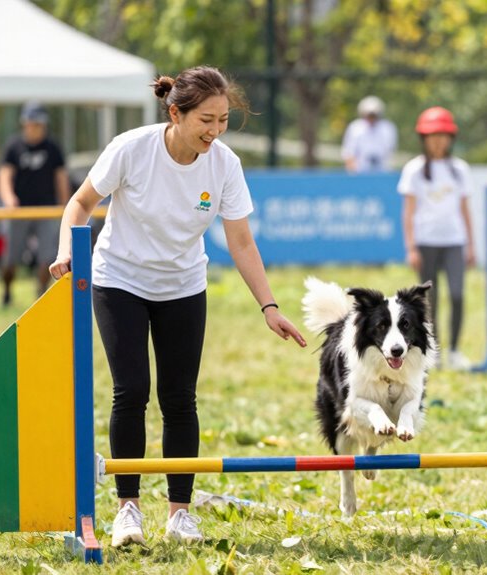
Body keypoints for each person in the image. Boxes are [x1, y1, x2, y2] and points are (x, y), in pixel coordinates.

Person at [48, 66, 307, 547]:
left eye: (224, 120)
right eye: (206, 119)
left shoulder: (224, 164)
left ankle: (180, 514)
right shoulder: (132, 149)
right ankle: (127, 510)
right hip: (118, 278)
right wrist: (69, 250)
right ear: (176, 113)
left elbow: (242, 241)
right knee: (131, 391)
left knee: (179, 398)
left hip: (183, 284)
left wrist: (269, 306)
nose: (215, 130)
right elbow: (79, 204)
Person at [399, 107, 475, 370]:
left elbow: (465, 209)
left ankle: (454, 350)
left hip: (454, 241)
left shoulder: (459, 169)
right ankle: (436, 351)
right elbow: (408, 212)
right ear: (424, 139)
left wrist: (471, 244)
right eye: (432, 136)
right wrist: (411, 247)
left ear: (451, 138)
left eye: (443, 135)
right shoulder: (414, 169)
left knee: (457, 294)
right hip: (426, 242)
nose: (438, 141)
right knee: (430, 300)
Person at [0, 101, 71, 305]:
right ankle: (6, 290)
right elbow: (4, 175)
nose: (36, 127)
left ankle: (40, 293)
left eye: (39, 124)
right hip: (19, 210)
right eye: (32, 123)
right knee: (10, 258)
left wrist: (65, 205)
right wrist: (8, 198)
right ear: (25, 123)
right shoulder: (14, 146)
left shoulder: (52, 147)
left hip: (46, 209)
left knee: (47, 256)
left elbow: (61, 177)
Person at [341, 95, 398, 173]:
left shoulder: (387, 128)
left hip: (382, 171)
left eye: (373, 115)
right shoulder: (355, 127)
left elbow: (390, 150)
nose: (371, 118)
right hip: (360, 172)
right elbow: (349, 153)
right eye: (369, 115)